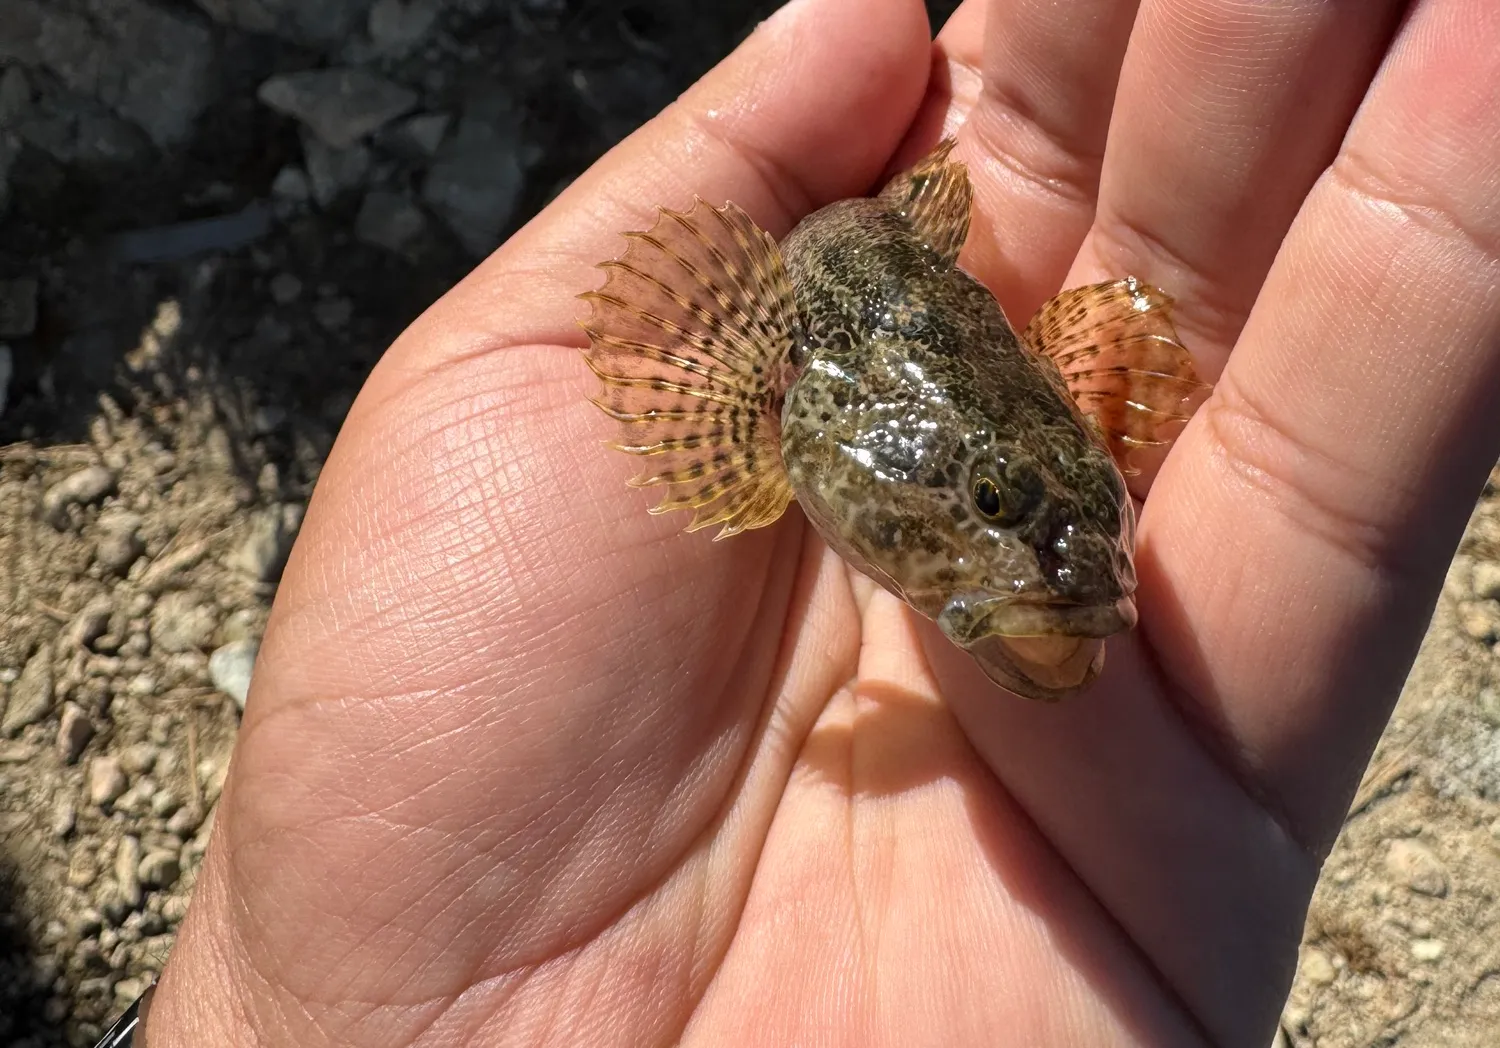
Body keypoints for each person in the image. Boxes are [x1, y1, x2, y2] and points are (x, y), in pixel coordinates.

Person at [136, 0, 1500, 1044]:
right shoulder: (792, 385)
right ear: (818, 413)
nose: (1068, 583)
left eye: (1083, 518)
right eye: (991, 510)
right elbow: (698, 318)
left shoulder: (1040, 461)